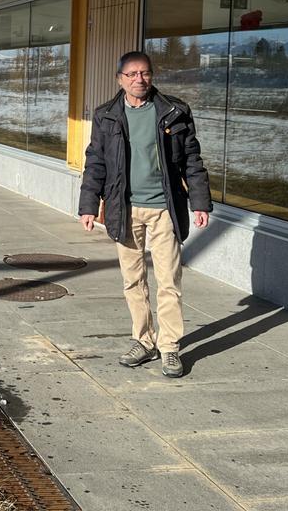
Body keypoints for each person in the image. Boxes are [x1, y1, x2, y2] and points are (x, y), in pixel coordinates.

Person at [78, 51, 212, 378]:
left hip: (164, 208)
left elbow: (191, 160)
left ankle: (169, 348)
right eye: (132, 74)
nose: (140, 79)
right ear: (120, 79)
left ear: (152, 76)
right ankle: (143, 340)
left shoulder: (173, 111)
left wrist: (200, 201)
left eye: (145, 73)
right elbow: (96, 160)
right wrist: (88, 204)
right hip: (123, 208)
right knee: (133, 280)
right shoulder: (106, 115)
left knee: (168, 280)